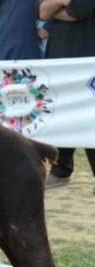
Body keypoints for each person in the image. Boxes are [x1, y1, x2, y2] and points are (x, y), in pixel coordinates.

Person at [39, 0, 95, 189]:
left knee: (90, 116)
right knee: (58, 110)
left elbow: (79, 10)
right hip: (59, 57)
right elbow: (41, 12)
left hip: (87, 57)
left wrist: (56, 8)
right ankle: (61, 168)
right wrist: (61, 3)